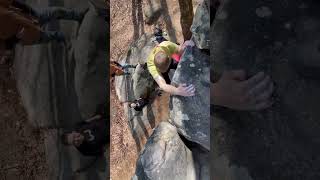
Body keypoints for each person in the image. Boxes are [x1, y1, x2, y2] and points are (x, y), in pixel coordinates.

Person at [0, 0, 88, 51]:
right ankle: (63, 38)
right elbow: (5, 41)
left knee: (53, 13)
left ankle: (77, 16)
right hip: (21, 35)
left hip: (26, 17)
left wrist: (31, 12)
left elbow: (15, 3)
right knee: (46, 37)